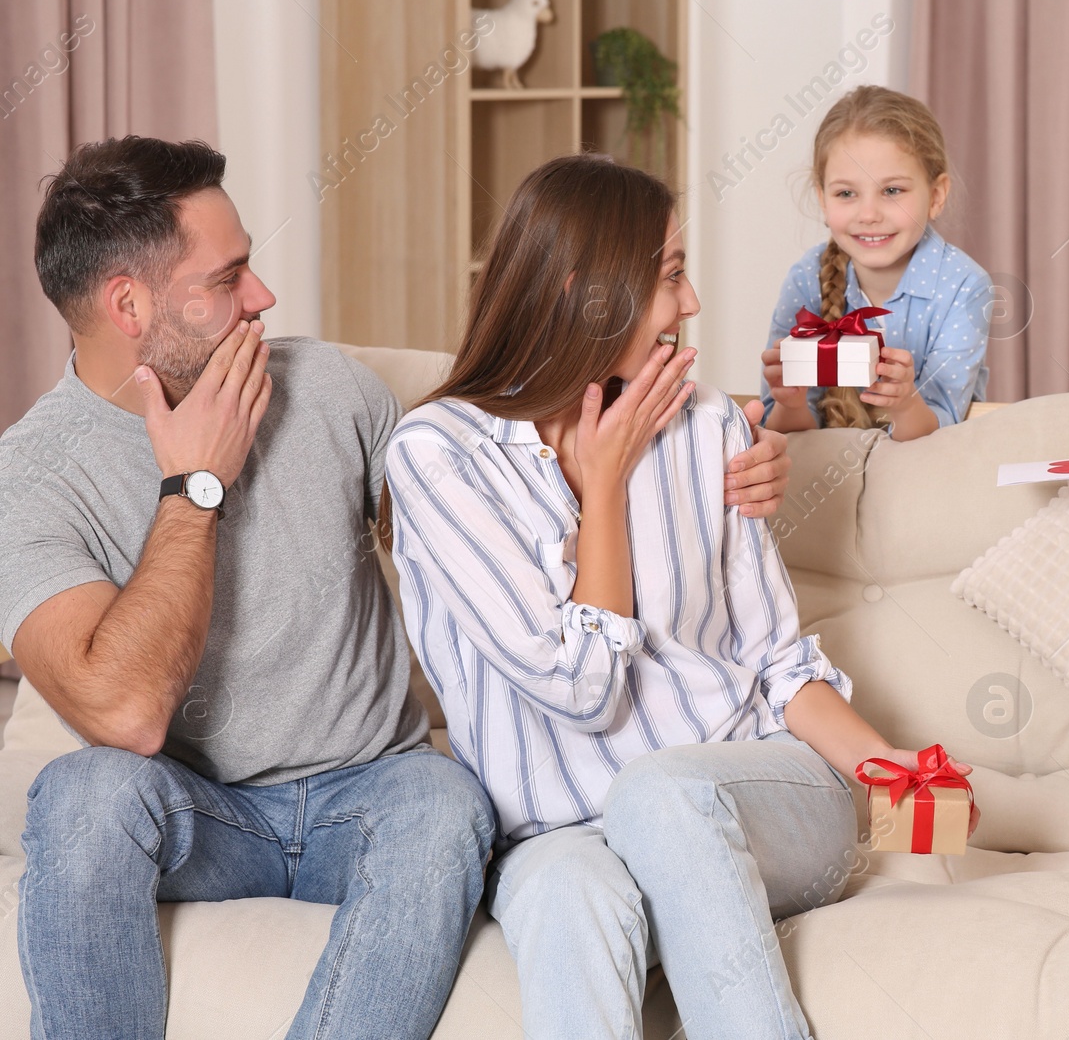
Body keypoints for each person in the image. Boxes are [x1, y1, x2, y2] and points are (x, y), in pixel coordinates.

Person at [0, 135, 796, 1039]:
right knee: (82, 793)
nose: (263, 297)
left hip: (375, 795)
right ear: (129, 303)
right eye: (230, 278)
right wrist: (196, 487)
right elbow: (125, 714)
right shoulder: (29, 477)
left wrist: (733, 443)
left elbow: (506, 469)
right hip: (200, 816)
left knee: (445, 801)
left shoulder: (332, 390)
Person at [384, 154, 977, 1040]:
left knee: (661, 793)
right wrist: (609, 490)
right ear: (592, 296)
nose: (693, 301)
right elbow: (581, 689)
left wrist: (899, 778)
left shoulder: (704, 425)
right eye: (669, 275)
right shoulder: (438, 457)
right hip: (561, 830)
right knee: (560, 890)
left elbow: (777, 662)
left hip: (753, 791)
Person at [760, 85, 991, 441]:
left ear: (936, 195)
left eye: (892, 190)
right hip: (824, 480)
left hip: (922, 478)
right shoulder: (807, 278)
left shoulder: (964, 286)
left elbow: (944, 436)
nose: (868, 215)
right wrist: (790, 403)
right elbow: (788, 442)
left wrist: (906, 405)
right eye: (846, 194)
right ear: (823, 199)